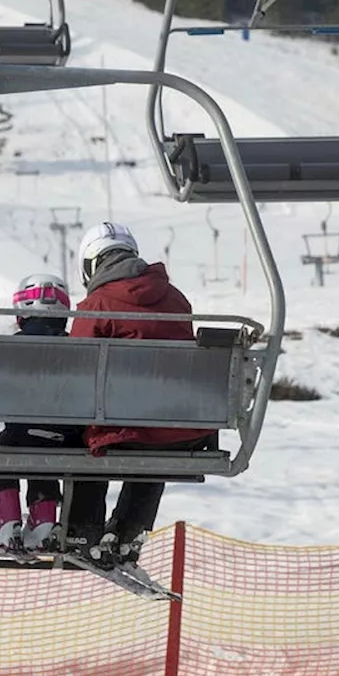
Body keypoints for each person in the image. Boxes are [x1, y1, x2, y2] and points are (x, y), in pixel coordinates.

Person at [64, 222, 218, 573]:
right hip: (182, 429)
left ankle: (81, 532)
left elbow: (75, 369)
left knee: (92, 438)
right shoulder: (177, 299)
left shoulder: (97, 304)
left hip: (124, 432)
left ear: (90, 264)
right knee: (157, 438)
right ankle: (128, 533)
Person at [0, 273, 85, 553]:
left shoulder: (11, 347)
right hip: (69, 437)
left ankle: (8, 523)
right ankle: (43, 522)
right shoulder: (80, 346)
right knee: (46, 453)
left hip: (24, 434)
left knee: (1, 450)